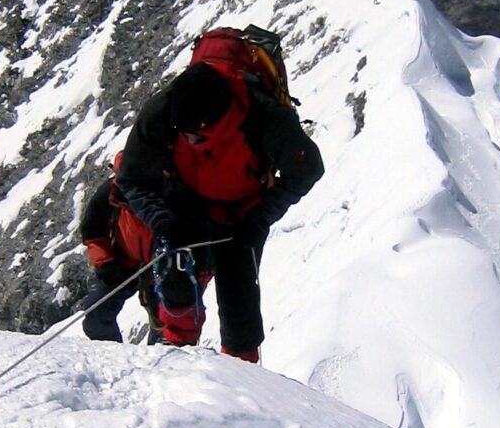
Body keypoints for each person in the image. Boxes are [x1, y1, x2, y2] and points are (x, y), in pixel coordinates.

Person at [80, 59, 324, 362]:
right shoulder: (165, 109)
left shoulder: (264, 116)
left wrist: (259, 218)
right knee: (178, 280)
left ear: (216, 123)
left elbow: (307, 169)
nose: (185, 140)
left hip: (244, 214)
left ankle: (241, 371)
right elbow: (131, 178)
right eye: (181, 133)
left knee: (238, 296)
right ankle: (178, 358)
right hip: (185, 206)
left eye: (194, 135)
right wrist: (159, 219)